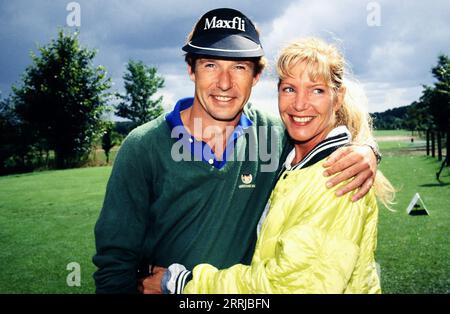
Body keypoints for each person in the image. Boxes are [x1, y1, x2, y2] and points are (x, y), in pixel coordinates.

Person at [93, 8, 380, 294]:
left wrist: (366, 149)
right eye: (210, 65)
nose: (225, 83)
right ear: (190, 69)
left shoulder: (276, 136)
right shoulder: (143, 146)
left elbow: (320, 141)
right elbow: (114, 264)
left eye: (239, 67)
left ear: (256, 76)